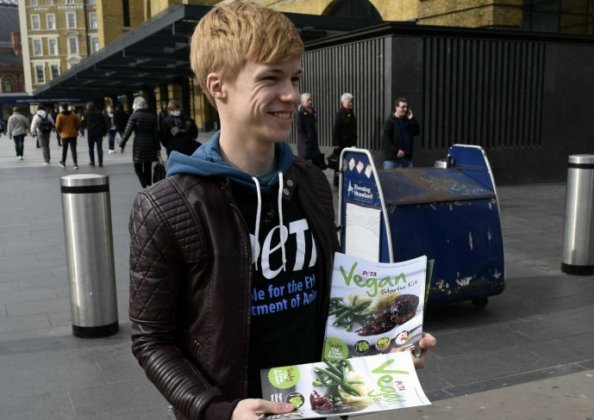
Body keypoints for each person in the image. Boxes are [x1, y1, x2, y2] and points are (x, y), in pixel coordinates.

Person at [127, 3, 436, 420]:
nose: (291, 95)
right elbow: (152, 340)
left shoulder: (311, 183)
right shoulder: (166, 207)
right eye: (270, 78)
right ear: (218, 86)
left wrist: (387, 348)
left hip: (318, 404)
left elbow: (332, 295)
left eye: (293, 77)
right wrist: (217, 408)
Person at [119, 96, 161, 188]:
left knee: (137, 166)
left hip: (139, 145)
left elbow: (127, 131)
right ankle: (149, 185)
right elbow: (156, 134)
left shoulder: (134, 116)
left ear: (135, 106)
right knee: (148, 166)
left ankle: (144, 184)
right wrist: (158, 148)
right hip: (151, 144)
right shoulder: (152, 116)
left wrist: (122, 144)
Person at [382, 97, 421, 169]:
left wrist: (412, 119)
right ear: (396, 107)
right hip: (392, 160)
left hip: (406, 160)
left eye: (406, 107)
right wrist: (396, 151)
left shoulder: (407, 120)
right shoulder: (390, 121)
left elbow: (416, 132)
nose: (405, 109)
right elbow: (386, 140)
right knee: (390, 180)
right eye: (403, 107)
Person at [331, 92, 357, 187]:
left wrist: (354, 143)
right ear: (344, 102)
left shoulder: (351, 113)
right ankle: (337, 182)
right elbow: (336, 128)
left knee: (350, 162)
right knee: (339, 163)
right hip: (341, 143)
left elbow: (353, 129)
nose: (351, 103)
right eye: (349, 101)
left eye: (351, 102)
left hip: (350, 143)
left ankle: (347, 180)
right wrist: (335, 143)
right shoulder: (340, 113)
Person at [296, 92, 324, 168]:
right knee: (305, 163)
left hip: (313, 141)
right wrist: (306, 139)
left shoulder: (312, 111)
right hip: (305, 143)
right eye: (308, 100)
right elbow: (300, 128)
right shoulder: (301, 113)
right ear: (303, 101)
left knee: (316, 163)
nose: (310, 102)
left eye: (311, 100)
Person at [81, 102, 107, 167]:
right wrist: (104, 132)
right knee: (99, 148)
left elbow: (82, 122)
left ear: (88, 107)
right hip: (99, 133)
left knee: (91, 148)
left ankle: (92, 161)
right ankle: (100, 162)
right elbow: (104, 123)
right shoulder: (99, 113)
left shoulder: (85, 113)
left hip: (90, 133)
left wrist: (84, 127)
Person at [55, 102, 81, 169]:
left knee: (64, 149)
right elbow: (78, 123)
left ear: (62, 107)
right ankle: (75, 164)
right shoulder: (73, 115)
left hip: (64, 135)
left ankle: (63, 162)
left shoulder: (60, 116)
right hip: (73, 134)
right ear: (68, 107)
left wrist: (60, 131)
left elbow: (57, 126)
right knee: (73, 149)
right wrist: (75, 129)